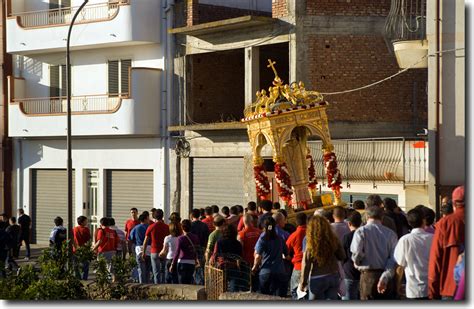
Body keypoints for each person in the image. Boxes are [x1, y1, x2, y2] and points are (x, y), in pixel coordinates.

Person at [350, 206, 398, 300]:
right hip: (386, 275)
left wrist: (357, 263)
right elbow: (393, 259)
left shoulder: (361, 231)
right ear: (382, 217)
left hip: (368, 276)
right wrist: (385, 277)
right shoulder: (391, 234)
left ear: (366, 216)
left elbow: (356, 254)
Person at [428, 186, 465, 300]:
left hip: (451, 289)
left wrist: (432, 293)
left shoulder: (445, 223)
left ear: (453, 204)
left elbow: (435, 259)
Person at [299, 215, 345, 300]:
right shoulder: (333, 239)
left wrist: (303, 283)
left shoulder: (310, 242)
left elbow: (306, 264)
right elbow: (342, 256)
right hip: (333, 275)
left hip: (317, 278)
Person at [394, 208, 433, 299]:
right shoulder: (433, 238)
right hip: (431, 287)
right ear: (424, 221)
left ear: (409, 222)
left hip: (413, 289)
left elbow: (400, 266)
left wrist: (397, 285)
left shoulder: (405, 240)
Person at [252, 217, 289, 297]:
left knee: (264, 297)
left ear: (264, 227)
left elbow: (257, 256)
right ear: (275, 225)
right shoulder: (280, 239)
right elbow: (287, 255)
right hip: (280, 272)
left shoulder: (262, 239)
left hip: (266, 272)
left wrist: (254, 267)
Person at [212, 225, 244, 292]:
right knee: (233, 291)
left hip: (221, 268)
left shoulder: (219, 242)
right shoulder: (238, 244)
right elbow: (239, 259)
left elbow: (215, 255)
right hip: (233, 268)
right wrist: (239, 269)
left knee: (220, 289)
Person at [143, 209, 169, 284]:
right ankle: (164, 286)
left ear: (154, 216)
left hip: (154, 251)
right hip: (164, 252)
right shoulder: (166, 227)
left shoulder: (151, 227)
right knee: (163, 271)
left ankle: (157, 287)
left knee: (156, 272)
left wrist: (143, 252)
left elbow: (145, 241)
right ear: (162, 216)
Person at [171, 219, 200, 284]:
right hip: (192, 262)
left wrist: (172, 264)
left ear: (182, 227)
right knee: (189, 282)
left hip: (182, 262)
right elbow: (197, 250)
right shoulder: (195, 237)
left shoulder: (180, 238)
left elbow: (177, 252)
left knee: (182, 283)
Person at [237, 213, 262, 292]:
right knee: (257, 282)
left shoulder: (241, 234)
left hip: (246, 261)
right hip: (258, 261)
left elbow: (239, 249)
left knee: (246, 283)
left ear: (243, 222)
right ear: (252, 221)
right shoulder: (259, 232)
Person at [286, 212, 307, 299]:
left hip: (298, 266)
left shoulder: (294, 235)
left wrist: (289, 258)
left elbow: (285, 250)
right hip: (312, 266)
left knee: (295, 291)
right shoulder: (312, 233)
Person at [342, 211, 362, 300]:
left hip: (349, 272)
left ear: (349, 223)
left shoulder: (346, 237)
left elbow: (342, 255)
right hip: (363, 272)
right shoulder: (365, 235)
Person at [130, 214, 151, 284]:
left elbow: (131, 238)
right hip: (149, 249)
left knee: (141, 269)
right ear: (145, 219)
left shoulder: (136, 228)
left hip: (139, 249)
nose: (149, 220)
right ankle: (148, 283)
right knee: (148, 270)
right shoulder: (149, 227)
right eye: (148, 219)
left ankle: (142, 284)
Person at [190, 209, 209, 285]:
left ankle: (197, 282)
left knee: (194, 267)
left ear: (191, 216)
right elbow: (207, 238)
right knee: (202, 266)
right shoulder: (204, 225)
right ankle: (202, 282)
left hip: (193, 249)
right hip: (203, 248)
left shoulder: (190, 225)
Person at [73, 216, 92, 280]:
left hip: (75, 248)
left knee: (76, 264)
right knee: (85, 264)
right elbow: (88, 239)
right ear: (82, 222)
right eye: (85, 221)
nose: (87, 222)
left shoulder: (74, 229)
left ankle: (77, 276)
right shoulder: (86, 229)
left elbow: (72, 239)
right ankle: (84, 277)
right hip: (84, 249)